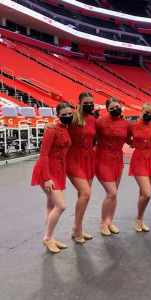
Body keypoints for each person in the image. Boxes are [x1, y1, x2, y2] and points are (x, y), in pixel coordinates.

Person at [31, 102, 72, 253]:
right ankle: (48, 238)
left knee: (50, 206)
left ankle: (52, 238)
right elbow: (44, 154)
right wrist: (47, 178)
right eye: (64, 114)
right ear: (58, 115)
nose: (68, 116)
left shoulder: (67, 129)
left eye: (70, 114)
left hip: (59, 170)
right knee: (60, 206)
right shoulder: (52, 130)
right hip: (47, 171)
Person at [95, 98, 131, 236]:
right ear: (107, 109)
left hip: (118, 159)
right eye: (112, 107)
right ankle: (103, 222)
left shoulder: (126, 123)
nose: (115, 109)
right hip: (102, 159)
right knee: (112, 193)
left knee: (114, 193)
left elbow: (129, 137)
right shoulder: (100, 122)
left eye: (117, 106)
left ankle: (110, 222)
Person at [66, 92, 97, 244]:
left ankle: (77, 227)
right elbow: (58, 126)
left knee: (82, 196)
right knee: (85, 193)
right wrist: (48, 125)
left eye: (92, 102)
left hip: (89, 158)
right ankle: (77, 230)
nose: (90, 105)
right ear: (79, 102)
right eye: (86, 103)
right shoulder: (71, 118)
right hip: (74, 159)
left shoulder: (93, 119)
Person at [129, 102, 151, 232]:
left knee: (143, 193)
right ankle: (138, 219)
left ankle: (140, 219)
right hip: (139, 159)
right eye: (147, 112)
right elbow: (124, 137)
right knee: (147, 194)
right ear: (142, 111)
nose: (149, 115)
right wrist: (132, 143)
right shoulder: (133, 125)